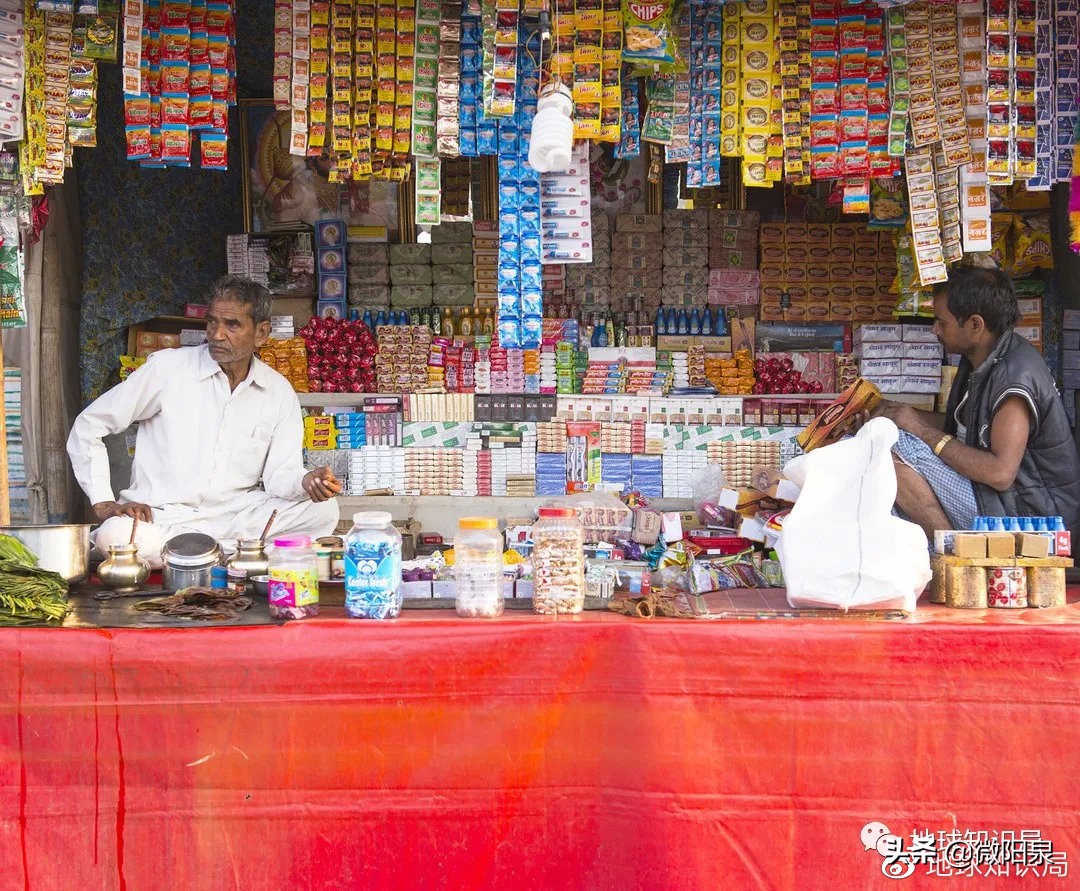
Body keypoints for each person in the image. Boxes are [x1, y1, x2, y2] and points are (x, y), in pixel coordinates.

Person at [67, 275, 342, 567]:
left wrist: (305, 481)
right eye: (212, 322)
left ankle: (193, 555)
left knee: (323, 511)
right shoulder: (168, 369)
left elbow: (279, 476)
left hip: (235, 518)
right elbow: (90, 424)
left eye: (232, 325)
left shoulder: (278, 391)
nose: (217, 334)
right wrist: (104, 503)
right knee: (115, 536)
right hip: (162, 517)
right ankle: (235, 556)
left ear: (261, 333)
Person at [872, 266, 1080, 537]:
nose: (935, 329)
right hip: (997, 500)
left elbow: (1000, 473)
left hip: (1031, 520)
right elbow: (960, 429)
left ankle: (955, 553)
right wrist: (897, 414)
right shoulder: (982, 358)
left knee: (893, 454)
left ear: (975, 325)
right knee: (880, 442)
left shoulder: (1015, 378)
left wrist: (920, 429)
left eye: (942, 322)